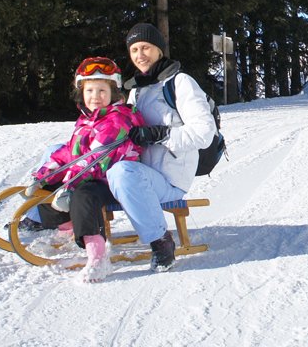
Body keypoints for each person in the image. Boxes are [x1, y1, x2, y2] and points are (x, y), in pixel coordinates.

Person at [70, 22, 218, 273]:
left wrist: (160, 134)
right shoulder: (136, 90)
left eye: (146, 47)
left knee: (121, 172)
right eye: (135, 49)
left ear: (159, 49)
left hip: (169, 180)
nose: (140, 55)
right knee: (78, 159)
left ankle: (161, 242)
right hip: (136, 176)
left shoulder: (180, 83)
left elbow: (204, 133)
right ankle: (48, 218)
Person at [24, 56, 146, 282]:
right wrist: (43, 176)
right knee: (51, 188)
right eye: (90, 91)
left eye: (102, 91)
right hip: (89, 176)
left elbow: (94, 160)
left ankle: (98, 257)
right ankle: (69, 227)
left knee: (82, 196)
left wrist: (69, 187)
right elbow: (69, 154)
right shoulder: (86, 121)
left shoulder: (117, 120)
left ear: (113, 94)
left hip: (113, 179)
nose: (95, 97)